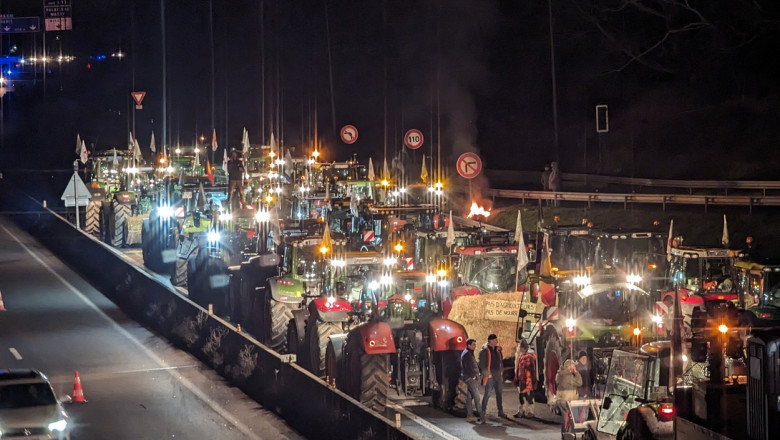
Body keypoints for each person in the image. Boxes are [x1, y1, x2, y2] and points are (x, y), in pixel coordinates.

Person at [479, 334, 507, 421]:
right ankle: (482, 412)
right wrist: (487, 373)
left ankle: (500, 411)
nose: (496, 341)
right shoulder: (484, 351)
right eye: (495, 340)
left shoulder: (498, 351)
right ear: (490, 341)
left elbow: (500, 362)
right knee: (487, 394)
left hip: (497, 375)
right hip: (490, 375)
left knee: (499, 393)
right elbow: (481, 364)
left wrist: (501, 372)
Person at [556, 359, 583, 436]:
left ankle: (564, 435)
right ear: (569, 366)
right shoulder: (568, 377)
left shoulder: (560, 374)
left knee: (565, 419)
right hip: (567, 401)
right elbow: (579, 382)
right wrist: (576, 372)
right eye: (573, 365)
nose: (575, 367)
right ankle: (568, 435)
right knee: (571, 419)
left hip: (561, 399)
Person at [513, 339, 537, 418]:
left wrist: (531, 381)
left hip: (527, 381)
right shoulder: (521, 356)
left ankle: (530, 411)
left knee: (528, 396)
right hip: (522, 379)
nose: (519, 348)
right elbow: (519, 369)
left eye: (520, 347)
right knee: (522, 396)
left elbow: (530, 370)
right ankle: (522, 411)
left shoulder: (528, 357)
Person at [460, 338, 483, 423]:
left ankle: (470, 415)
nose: (475, 346)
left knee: (469, 397)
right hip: (470, 378)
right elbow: (468, 366)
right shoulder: (467, 354)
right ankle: (481, 414)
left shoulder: (468, 353)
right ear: (469, 345)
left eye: (475, 344)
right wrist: (473, 376)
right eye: (473, 344)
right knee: (476, 396)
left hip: (468, 378)